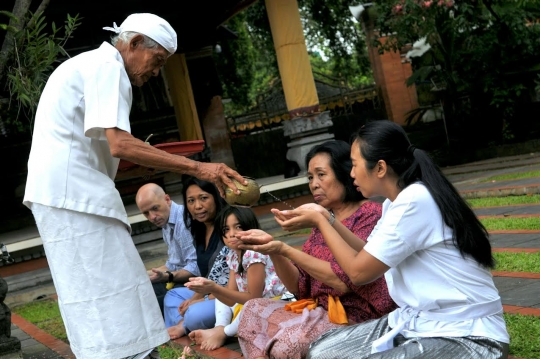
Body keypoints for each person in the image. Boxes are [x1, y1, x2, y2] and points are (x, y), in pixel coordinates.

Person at [22, 13, 246, 359]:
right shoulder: (108, 66)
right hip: (74, 196)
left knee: (99, 287)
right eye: (157, 61)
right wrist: (200, 165)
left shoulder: (94, 64)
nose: (156, 73)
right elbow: (120, 144)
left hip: (66, 195)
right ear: (135, 43)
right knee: (109, 286)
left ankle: (123, 353)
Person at [263, 121, 510, 359]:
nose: (351, 174)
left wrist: (320, 221)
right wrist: (327, 218)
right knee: (321, 351)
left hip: (468, 334)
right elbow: (369, 251)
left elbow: (359, 273)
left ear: (380, 168)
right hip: (420, 322)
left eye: (355, 165)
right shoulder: (395, 202)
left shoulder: (414, 201)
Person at [236, 140, 397, 359]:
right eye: (310, 177)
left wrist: (286, 249)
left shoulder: (369, 214)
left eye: (321, 175)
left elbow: (344, 281)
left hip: (354, 319)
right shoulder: (321, 218)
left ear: (343, 174)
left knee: (290, 343)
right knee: (250, 312)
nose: (314, 184)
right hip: (315, 314)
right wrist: (273, 249)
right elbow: (298, 286)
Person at [188, 206, 287, 351]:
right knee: (220, 294)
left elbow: (255, 299)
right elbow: (230, 298)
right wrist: (213, 289)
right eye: (226, 229)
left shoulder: (254, 253)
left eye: (238, 227)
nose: (232, 234)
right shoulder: (233, 255)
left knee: (248, 308)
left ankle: (224, 333)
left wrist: (214, 288)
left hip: (274, 303)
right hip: (252, 303)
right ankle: (219, 327)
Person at [163, 177, 230, 340]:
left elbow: (232, 285)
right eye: (191, 201)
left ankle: (184, 325)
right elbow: (206, 279)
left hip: (230, 297)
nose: (197, 206)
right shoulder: (198, 231)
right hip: (210, 292)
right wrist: (195, 298)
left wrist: (198, 300)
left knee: (193, 314)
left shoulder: (229, 228)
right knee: (173, 296)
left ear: (217, 196)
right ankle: (184, 326)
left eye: (204, 198)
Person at [135, 183, 200, 314]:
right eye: (146, 213)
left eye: (155, 208)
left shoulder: (183, 221)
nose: (152, 217)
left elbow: (195, 268)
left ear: (167, 199)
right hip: (181, 280)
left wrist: (167, 277)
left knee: (145, 305)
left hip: (197, 283)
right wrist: (140, 275)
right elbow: (173, 264)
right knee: (139, 289)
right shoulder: (166, 221)